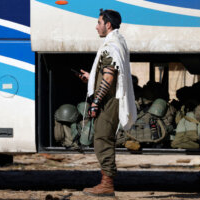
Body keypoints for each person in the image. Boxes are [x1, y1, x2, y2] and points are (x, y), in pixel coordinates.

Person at [78, 9, 137, 197]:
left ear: (108, 25)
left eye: (99, 23)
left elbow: (109, 76)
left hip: (109, 102)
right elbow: (108, 73)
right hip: (111, 99)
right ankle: (106, 181)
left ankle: (107, 183)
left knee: (102, 139)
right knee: (103, 138)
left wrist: (95, 101)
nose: (96, 27)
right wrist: (91, 78)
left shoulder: (111, 45)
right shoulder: (117, 42)